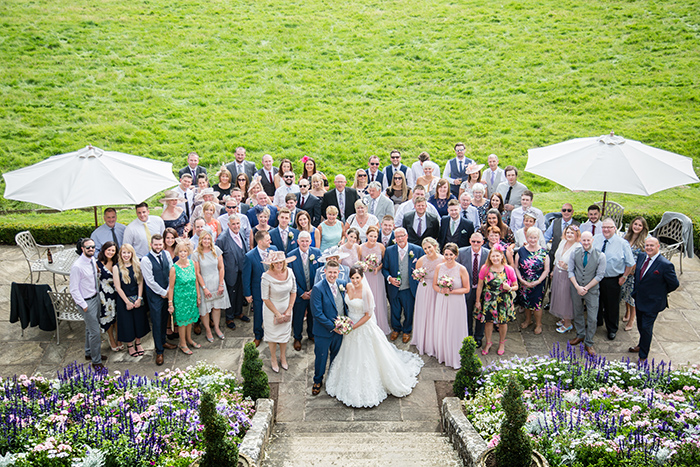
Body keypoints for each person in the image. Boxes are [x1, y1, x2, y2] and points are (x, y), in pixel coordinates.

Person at [325, 266, 424, 408]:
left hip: (361, 326)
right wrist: (345, 323)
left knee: (367, 356)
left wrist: (353, 326)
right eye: (352, 278)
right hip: (349, 325)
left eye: (357, 278)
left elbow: (368, 315)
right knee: (349, 355)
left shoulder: (366, 292)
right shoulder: (347, 286)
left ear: (362, 277)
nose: (355, 280)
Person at [629, 237, 679, 364]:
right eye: (647, 245)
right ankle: (641, 344)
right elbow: (638, 275)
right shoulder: (641, 256)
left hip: (653, 303)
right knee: (640, 325)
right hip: (640, 299)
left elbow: (674, 284)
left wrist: (659, 293)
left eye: (652, 245)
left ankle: (643, 355)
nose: (649, 248)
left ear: (658, 247)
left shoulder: (665, 264)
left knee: (646, 328)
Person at [594, 217, 635, 341]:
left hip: (612, 279)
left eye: (609, 227)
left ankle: (612, 329)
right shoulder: (595, 239)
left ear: (615, 228)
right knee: (596, 302)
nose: (606, 230)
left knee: (612, 305)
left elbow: (630, 262)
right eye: (604, 227)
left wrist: (624, 276)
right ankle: (597, 321)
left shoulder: (622, 243)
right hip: (596, 278)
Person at [382, 227, 424, 343]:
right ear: (395, 238)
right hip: (393, 287)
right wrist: (389, 278)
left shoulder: (417, 250)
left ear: (407, 236)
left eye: (402, 236)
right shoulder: (389, 250)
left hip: (409, 288)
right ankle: (396, 329)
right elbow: (384, 269)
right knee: (395, 310)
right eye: (397, 236)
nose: (400, 238)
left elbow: (423, 266)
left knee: (409, 310)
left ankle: (407, 330)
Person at [310, 260, 346, 396]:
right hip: (323, 332)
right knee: (321, 357)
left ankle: (332, 379)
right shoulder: (318, 288)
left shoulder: (342, 284)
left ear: (338, 273)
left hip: (340, 330)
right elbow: (317, 313)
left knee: (336, 357)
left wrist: (345, 323)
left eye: (335, 272)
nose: (332, 275)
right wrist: (333, 327)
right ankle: (317, 380)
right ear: (325, 272)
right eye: (330, 272)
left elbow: (345, 305)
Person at [475, 245, 518, 356]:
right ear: (489, 257)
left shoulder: (508, 269)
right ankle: (488, 342)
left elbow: (516, 286)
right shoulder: (485, 268)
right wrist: (477, 301)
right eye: (493, 256)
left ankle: (501, 343)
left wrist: (510, 288)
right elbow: (480, 286)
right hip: (489, 299)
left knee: (502, 322)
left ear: (502, 256)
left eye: (497, 256)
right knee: (488, 321)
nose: (495, 258)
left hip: (503, 299)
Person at [432, 243, 471, 369]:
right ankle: (443, 354)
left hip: (456, 302)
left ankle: (455, 355)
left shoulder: (461, 269)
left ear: (456, 255)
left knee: (454, 327)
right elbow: (434, 285)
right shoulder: (439, 267)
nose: (448, 257)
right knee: (442, 325)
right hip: (442, 300)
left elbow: (466, 289)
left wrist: (451, 291)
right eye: (446, 254)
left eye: (451, 254)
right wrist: (441, 290)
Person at [141, 234, 178, 365]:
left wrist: (168, 290)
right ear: (151, 245)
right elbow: (149, 281)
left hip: (167, 292)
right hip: (155, 296)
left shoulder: (166, 254)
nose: (158, 247)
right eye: (155, 244)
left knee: (164, 319)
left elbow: (170, 271)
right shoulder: (145, 260)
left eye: (160, 244)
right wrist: (163, 292)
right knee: (156, 322)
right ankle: (159, 351)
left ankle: (163, 341)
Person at [568, 231, 606, 356]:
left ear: (592, 240)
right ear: (581, 241)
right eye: (583, 240)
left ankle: (589, 342)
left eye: (588, 240)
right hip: (576, 288)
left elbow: (600, 275)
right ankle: (580, 335)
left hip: (592, 290)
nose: (586, 243)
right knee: (577, 312)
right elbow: (571, 271)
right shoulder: (575, 252)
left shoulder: (600, 256)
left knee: (592, 318)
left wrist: (586, 288)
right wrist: (577, 287)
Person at [70, 239, 106, 369]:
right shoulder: (77, 267)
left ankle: (89, 352)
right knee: (95, 332)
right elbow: (73, 289)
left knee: (89, 328)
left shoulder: (91, 259)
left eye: (93, 247)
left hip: (95, 297)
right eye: (88, 247)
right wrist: (84, 305)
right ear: (82, 249)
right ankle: (96, 362)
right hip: (86, 301)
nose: (91, 249)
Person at [260, 251, 296, 372]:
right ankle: (274, 358)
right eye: (276, 262)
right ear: (272, 263)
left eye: (281, 262)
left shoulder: (290, 272)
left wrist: (289, 309)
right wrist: (277, 314)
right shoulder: (266, 277)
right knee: (273, 336)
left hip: (287, 308)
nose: (279, 264)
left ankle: (283, 356)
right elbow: (265, 298)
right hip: (271, 310)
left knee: (285, 335)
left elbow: (293, 291)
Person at [113, 243, 149, 358]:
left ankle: (138, 343)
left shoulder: (137, 265)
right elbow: (118, 287)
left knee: (139, 321)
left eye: (128, 252)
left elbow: (140, 282)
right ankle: (130, 345)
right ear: (120, 254)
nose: (126, 255)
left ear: (132, 253)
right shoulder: (116, 267)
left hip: (137, 298)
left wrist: (139, 298)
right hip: (124, 299)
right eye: (124, 252)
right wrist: (127, 302)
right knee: (127, 323)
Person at [288, 231, 322, 350]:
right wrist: (301, 292)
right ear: (298, 241)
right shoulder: (291, 255)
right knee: (298, 316)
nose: (304, 243)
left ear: (310, 242)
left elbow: (321, 272)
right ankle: (297, 337)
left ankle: (311, 334)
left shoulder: (317, 253)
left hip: (314, 292)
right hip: (299, 294)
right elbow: (290, 278)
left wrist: (314, 290)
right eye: (302, 240)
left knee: (313, 315)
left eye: (307, 241)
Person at [243, 230, 279, 346]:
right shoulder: (250, 256)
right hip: (258, 290)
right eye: (268, 239)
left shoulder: (274, 250)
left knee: (275, 312)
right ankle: (258, 335)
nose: (270, 241)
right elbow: (246, 277)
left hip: (274, 290)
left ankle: (274, 335)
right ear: (260, 241)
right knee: (258, 314)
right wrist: (247, 294)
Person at [193, 231, 229, 342]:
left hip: (217, 281)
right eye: (204, 239)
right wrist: (204, 288)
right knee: (205, 309)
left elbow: (221, 267)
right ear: (200, 240)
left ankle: (217, 328)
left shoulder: (216, 250)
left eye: (208, 239)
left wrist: (221, 284)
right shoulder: (196, 254)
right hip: (205, 283)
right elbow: (197, 273)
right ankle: (208, 330)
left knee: (216, 307)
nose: (207, 241)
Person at [216, 214, 250, 330]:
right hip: (230, 272)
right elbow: (218, 257)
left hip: (242, 269)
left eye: (237, 223)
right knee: (231, 294)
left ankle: (238, 312)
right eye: (233, 224)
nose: (236, 226)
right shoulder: (222, 239)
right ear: (228, 225)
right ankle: (229, 317)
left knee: (240, 292)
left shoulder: (240, 232)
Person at [167, 240, 201, 355]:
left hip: (191, 297)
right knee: (182, 323)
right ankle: (182, 343)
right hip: (180, 300)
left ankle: (189, 339)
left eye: (185, 251)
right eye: (180, 251)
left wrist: (198, 296)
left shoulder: (192, 263)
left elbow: (196, 280)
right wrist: (170, 303)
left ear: (188, 252)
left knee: (190, 320)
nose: (183, 253)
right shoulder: (174, 268)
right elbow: (171, 287)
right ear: (177, 253)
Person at [515, 227, 550, 335]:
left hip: (538, 283)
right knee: (526, 302)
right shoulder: (521, 251)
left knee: (537, 304)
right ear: (527, 237)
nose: (533, 240)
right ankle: (528, 320)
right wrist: (521, 280)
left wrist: (538, 281)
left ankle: (538, 324)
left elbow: (546, 269)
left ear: (538, 238)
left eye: (535, 238)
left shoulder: (544, 252)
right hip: (524, 282)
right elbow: (516, 267)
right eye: (530, 237)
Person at [411, 237, 443, 355]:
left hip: (437, 290)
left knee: (436, 314)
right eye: (425, 248)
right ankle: (423, 340)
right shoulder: (421, 260)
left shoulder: (443, 260)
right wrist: (419, 276)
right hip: (424, 289)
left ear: (435, 246)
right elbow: (416, 275)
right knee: (424, 313)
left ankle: (435, 341)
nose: (427, 250)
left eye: (429, 247)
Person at [458, 232, 489, 348]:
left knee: (481, 314)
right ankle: (469, 335)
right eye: (473, 241)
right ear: (470, 241)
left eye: (478, 242)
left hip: (483, 289)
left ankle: (479, 337)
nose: (476, 244)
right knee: (467, 312)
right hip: (467, 288)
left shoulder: (488, 254)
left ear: (483, 242)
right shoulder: (461, 252)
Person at [549, 225, 580, 334]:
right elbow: (557, 257)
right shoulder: (563, 242)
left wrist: (567, 267)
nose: (569, 235)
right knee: (559, 296)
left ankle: (568, 324)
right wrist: (553, 270)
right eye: (567, 233)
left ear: (576, 235)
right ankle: (564, 318)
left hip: (568, 275)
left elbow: (580, 265)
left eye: (572, 233)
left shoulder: (578, 247)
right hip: (558, 272)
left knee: (566, 298)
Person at [359, 226, 389, 334]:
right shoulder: (361, 247)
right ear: (367, 235)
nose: (373, 238)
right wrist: (364, 266)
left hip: (377, 276)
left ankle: (380, 325)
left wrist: (378, 268)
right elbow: (358, 263)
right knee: (367, 300)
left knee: (378, 300)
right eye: (371, 236)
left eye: (375, 236)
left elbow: (384, 263)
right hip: (366, 277)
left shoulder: (381, 247)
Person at [621, 217, 649, 332]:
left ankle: (632, 319)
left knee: (632, 297)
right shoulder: (626, 237)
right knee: (625, 293)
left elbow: (645, 258)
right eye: (635, 224)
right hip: (625, 271)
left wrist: (635, 270)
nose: (637, 227)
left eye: (640, 225)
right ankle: (627, 312)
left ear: (643, 228)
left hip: (635, 273)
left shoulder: (644, 241)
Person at [96, 241, 120, 352]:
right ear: (104, 250)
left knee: (118, 317)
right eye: (108, 250)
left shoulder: (117, 262)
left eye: (113, 250)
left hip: (117, 292)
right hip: (105, 295)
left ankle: (118, 338)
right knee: (108, 316)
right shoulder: (98, 264)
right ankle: (111, 338)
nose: (110, 252)